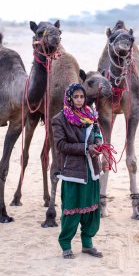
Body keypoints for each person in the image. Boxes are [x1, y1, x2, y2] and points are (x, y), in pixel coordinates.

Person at [52, 83, 103, 259]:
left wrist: (97, 143)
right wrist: (85, 148)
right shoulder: (59, 119)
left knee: (91, 210)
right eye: (76, 97)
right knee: (71, 209)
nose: (79, 100)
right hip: (73, 172)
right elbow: (60, 145)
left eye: (82, 97)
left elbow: (97, 132)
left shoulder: (91, 115)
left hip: (91, 170)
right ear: (69, 98)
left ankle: (87, 245)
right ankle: (66, 245)